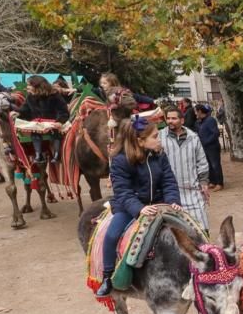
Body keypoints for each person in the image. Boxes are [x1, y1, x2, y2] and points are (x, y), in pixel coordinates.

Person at [96, 116, 182, 297]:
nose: (159, 140)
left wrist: (173, 200)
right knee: (112, 235)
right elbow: (123, 191)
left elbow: (168, 181)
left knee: (185, 228)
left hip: (158, 204)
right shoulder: (120, 160)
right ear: (140, 141)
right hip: (129, 207)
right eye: (155, 136)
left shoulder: (159, 155)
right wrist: (139, 208)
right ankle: (107, 276)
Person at [160, 107, 210, 232]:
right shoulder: (159, 137)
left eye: (174, 118)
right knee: (175, 231)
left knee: (201, 229)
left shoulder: (193, 137)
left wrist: (204, 183)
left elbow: (202, 162)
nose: (170, 121)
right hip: (169, 193)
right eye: (168, 118)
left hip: (193, 191)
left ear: (182, 120)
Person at [14, 76, 69, 162]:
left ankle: (57, 154)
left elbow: (63, 111)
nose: (27, 87)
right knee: (34, 132)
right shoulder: (30, 97)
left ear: (37, 85)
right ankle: (38, 155)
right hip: (38, 123)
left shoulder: (54, 96)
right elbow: (25, 109)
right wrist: (17, 113)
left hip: (53, 122)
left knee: (56, 132)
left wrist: (59, 122)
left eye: (29, 85)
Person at [195, 104, 224, 191]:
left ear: (200, 111)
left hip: (212, 147)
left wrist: (206, 142)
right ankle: (213, 181)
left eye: (196, 111)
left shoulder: (210, 120)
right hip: (204, 147)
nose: (195, 113)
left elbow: (215, 133)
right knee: (209, 165)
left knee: (215, 165)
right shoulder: (200, 121)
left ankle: (219, 183)